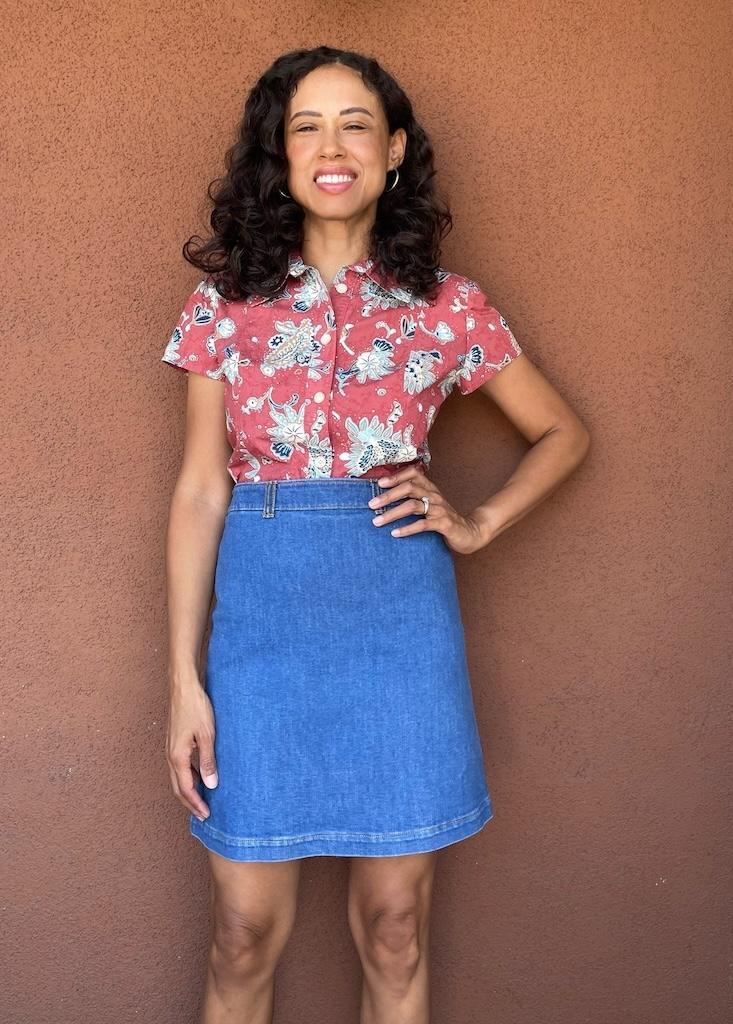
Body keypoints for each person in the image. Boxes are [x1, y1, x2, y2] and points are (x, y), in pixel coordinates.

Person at [161, 44, 590, 1024]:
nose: (331, 145)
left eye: (355, 122)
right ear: (280, 153)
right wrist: (183, 679)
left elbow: (564, 434)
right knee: (241, 931)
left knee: (395, 923)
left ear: (393, 150)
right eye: (305, 125)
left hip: (398, 622)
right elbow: (195, 493)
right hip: (261, 629)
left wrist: (478, 520)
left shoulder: (448, 304)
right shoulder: (223, 307)